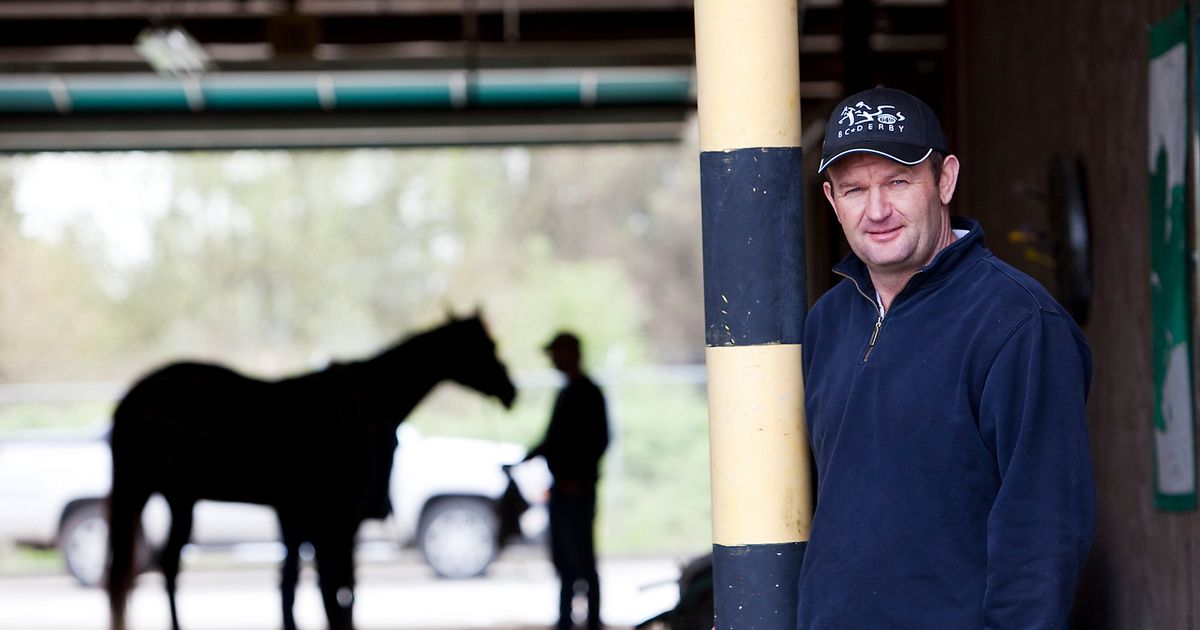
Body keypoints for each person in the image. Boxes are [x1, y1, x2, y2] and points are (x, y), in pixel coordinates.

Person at [797, 86, 1095, 628]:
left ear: (946, 180)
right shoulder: (827, 323)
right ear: (831, 200)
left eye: (898, 181)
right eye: (854, 189)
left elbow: (1043, 533)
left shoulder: (1020, 324)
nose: (878, 209)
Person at [516, 331, 610, 630]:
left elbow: (598, 441)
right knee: (566, 560)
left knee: (580, 558)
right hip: (563, 489)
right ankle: (566, 621)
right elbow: (553, 439)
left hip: (577, 491)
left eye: (557, 353)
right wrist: (527, 457)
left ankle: (591, 620)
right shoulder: (568, 393)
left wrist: (576, 480)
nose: (553, 360)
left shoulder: (587, 394)